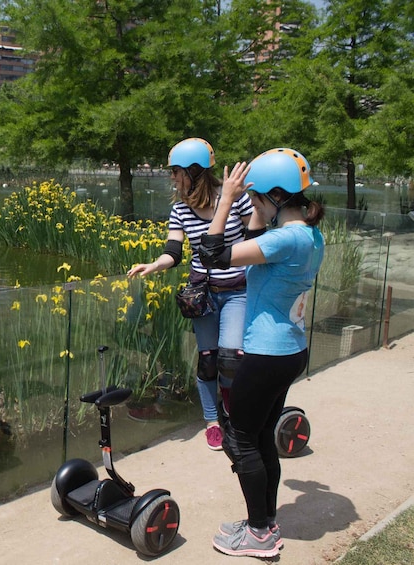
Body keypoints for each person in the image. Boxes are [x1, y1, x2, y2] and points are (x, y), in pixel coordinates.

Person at [199, 148, 325, 558]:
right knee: (261, 439)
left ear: (278, 195)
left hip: (267, 353)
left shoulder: (286, 237)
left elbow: (213, 254)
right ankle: (265, 521)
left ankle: (258, 534)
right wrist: (254, 202)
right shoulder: (306, 234)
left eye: (257, 200)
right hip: (290, 349)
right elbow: (256, 244)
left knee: (241, 441)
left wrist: (226, 200)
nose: (252, 207)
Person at [127, 138, 253, 451]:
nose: (172, 178)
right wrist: (155, 264)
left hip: (237, 290)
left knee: (231, 358)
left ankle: (229, 408)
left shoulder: (235, 199)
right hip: (202, 293)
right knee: (208, 360)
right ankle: (212, 421)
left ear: (194, 172)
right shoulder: (180, 210)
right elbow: (174, 251)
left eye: (176, 172)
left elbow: (257, 239)